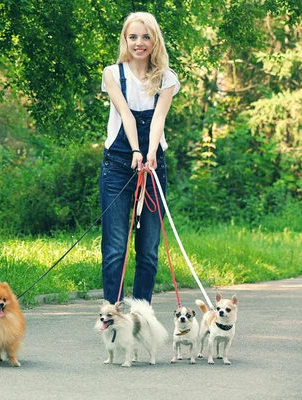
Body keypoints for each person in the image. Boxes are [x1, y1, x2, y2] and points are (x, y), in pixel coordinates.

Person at [99, 12, 180, 304]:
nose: (139, 43)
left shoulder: (167, 78)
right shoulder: (112, 74)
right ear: (125, 39)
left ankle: (141, 313)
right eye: (133, 37)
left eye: (145, 37)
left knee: (148, 250)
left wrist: (150, 153)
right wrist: (136, 151)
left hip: (153, 166)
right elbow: (126, 115)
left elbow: (158, 119)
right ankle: (115, 313)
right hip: (118, 166)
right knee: (115, 248)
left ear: (154, 40)